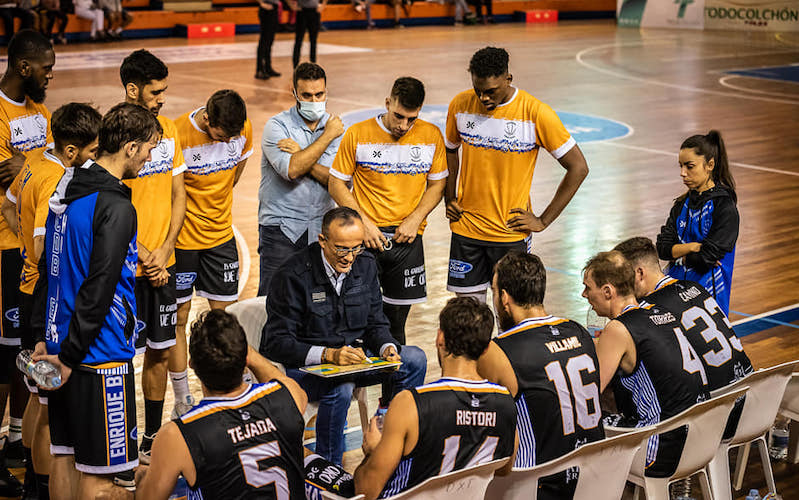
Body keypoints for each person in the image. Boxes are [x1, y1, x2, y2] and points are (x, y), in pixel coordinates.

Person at [31, 102, 161, 498]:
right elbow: (101, 285)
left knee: (64, 458)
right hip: (97, 354)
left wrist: (44, 336)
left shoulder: (65, 190)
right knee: (99, 476)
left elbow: (47, 268)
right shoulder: (117, 207)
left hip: (58, 343)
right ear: (131, 147)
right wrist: (71, 357)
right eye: (150, 149)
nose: (151, 157)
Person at [262, 207, 427, 465]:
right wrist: (328, 355)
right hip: (308, 370)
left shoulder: (366, 265)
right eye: (341, 249)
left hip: (353, 361)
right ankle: (329, 469)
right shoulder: (292, 276)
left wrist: (386, 347)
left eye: (356, 248)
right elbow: (275, 342)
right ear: (322, 241)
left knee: (415, 359)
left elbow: (375, 322)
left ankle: (394, 443)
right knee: (340, 389)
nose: (349, 258)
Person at [309, 297, 517, 500]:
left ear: (440, 339)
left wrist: (373, 451)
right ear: (486, 348)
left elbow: (366, 491)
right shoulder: (506, 403)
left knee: (304, 462)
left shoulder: (411, 403)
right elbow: (504, 469)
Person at [2, 102, 101, 500]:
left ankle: (30, 480)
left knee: (36, 394)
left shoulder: (34, 161)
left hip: (28, 291)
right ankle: (42, 489)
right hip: (47, 300)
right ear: (73, 151)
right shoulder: (58, 180)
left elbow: (7, 204)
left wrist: (24, 244)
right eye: (93, 151)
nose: (96, 157)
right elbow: (46, 248)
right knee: (48, 403)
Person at [444, 46, 588, 302]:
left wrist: (543, 220)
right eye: (478, 90)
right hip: (466, 230)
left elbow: (578, 167)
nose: (483, 98)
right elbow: (451, 150)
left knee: (509, 314)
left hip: (509, 234)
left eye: (490, 92)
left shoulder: (535, 113)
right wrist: (449, 197)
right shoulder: (460, 105)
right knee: (467, 317)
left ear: (508, 79)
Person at [135, 310, 309, 499]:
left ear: (191, 364)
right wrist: (246, 353)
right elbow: (279, 380)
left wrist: (142, 477)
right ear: (245, 359)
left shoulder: (176, 435)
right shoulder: (289, 395)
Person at [329, 77, 446, 346]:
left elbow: (438, 183)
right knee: (353, 319)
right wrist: (363, 223)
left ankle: (395, 389)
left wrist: (416, 219)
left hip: (407, 242)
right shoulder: (358, 133)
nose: (403, 126)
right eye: (398, 116)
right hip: (363, 242)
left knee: (396, 325)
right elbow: (336, 183)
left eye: (411, 119)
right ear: (387, 103)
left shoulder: (431, 136)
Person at [477, 252, 604, 499]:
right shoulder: (578, 330)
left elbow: (481, 427)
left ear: (504, 298)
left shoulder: (498, 350)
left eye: (494, 290)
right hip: (597, 479)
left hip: (539, 486)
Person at [582, 251, 709, 478]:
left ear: (608, 291)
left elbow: (588, 396)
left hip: (661, 450)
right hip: (703, 440)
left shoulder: (617, 329)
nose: (584, 294)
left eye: (588, 287)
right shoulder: (660, 311)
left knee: (578, 422)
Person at [614, 236, 753, 440]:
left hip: (714, 414)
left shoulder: (650, 310)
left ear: (638, 273)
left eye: (621, 278)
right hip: (753, 400)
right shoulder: (695, 286)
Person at [119, 49, 187, 464]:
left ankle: (149, 437)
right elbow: (106, 202)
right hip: (127, 267)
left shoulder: (169, 130)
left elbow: (180, 194)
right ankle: (122, 436)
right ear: (132, 89)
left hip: (165, 262)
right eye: (155, 91)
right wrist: (143, 252)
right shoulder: (110, 134)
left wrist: (164, 248)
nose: (161, 98)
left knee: (161, 351)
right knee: (122, 356)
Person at [174, 89, 252, 416]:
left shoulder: (242, 129)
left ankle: (234, 387)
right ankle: (181, 399)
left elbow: (235, 173)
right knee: (178, 320)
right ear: (207, 118)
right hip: (182, 242)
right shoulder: (178, 133)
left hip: (220, 239)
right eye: (221, 134)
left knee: (225, 321)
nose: (226, 141)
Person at [0, 28, 54, 498]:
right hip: (5, 247)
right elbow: (7, 186)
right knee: (2, 356)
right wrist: (32, 167)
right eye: (46, 68)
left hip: (31, 250)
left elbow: (41, 169)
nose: (50, 76)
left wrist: (28, 164)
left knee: (23, 351)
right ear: (23, 67)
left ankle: (17, 436)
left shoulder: (40, 113)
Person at [258, 62, 342, 295]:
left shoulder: (337, 127)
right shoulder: (277, 126)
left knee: (317, 303)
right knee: (272, 302)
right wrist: (327, 137)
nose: (314, 101)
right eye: (306, 95)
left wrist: (301, 155)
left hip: (321, 229)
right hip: (281, 229)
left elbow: (336, 181)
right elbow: (292, 171)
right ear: (294, 93)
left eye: (319, 94)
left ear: (327, 92)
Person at [656, 130, 738, 316]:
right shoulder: (680, 205)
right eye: (680, 166)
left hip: (708, 301)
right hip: (674, 296)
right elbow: (662, 248)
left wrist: (678, 254)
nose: (682, 173)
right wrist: (692, 247)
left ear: (710, 165)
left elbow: (705, 259)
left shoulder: (724, 207)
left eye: (690, 166)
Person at [291, 0, 324, 69]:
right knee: (298, 40)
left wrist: (323, 4)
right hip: (302, 11)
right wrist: (291, 5)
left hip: (314, 11)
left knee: (313, 41)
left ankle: (313, 65)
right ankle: (295, 66)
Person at [255, 0, 280, 79]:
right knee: (263, 41)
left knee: (269, 41)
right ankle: (259, 70)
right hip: (266, 8)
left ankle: (268, 68)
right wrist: (261, 3)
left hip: (274, 8)